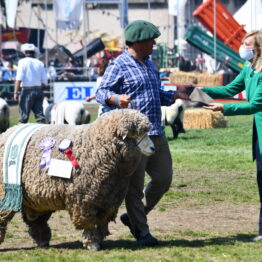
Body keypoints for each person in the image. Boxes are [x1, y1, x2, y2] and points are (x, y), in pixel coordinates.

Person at [95, 20, 189, 247]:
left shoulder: (150, 64)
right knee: (134, 188)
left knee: (163, 179)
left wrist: (177, 95)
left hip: (156, 132)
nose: (154, 44)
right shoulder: (119, 65)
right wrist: (117, 99)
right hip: (134, 137)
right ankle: (142, 231)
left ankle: (135, 216)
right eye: (151, 40)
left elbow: (156, 94)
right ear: (137, 42)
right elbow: (100, 92)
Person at [201, 30, 262, 241]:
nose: (243, 48)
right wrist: (199, 91)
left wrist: (224, 109)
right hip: (258, 134)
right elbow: (229, 89)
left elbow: (255, 105)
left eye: (247, 45)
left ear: (258, 48)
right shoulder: (248, 68)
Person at [14, 43, 47, 123]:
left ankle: (21, 133)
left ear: (25, 52)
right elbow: (45, 82)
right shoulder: (40, 63)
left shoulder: (22, 62)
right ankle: (44, 133)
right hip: (38, 90)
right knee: (40, 116)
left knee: (23, 116)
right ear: (34, 53)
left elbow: (19, 79)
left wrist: (16, 92)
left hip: (26, 91)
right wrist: (38, 88)